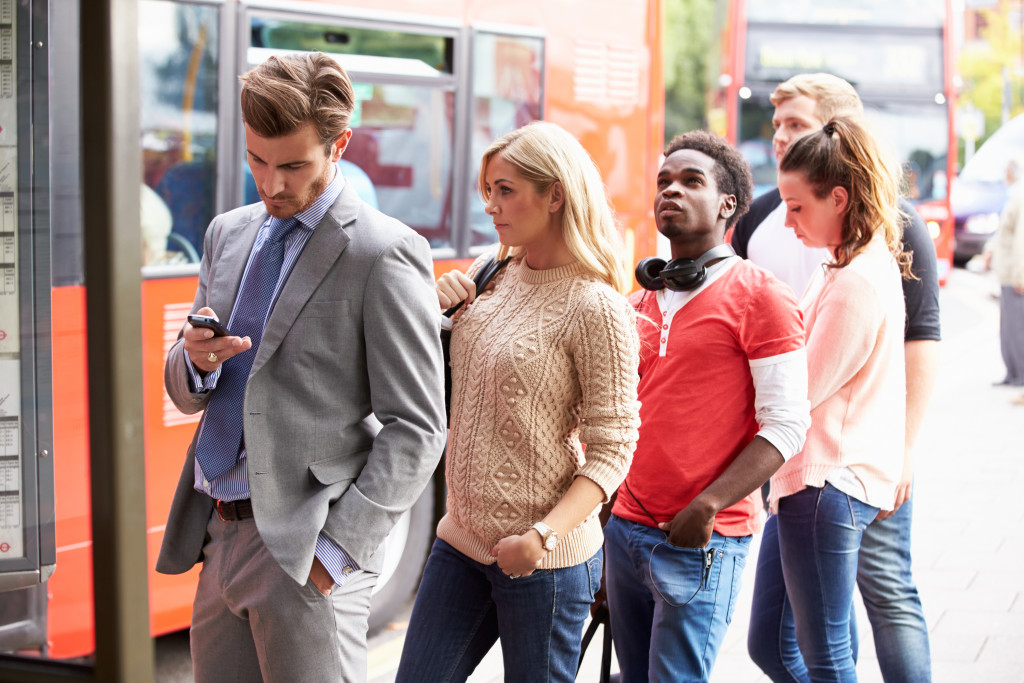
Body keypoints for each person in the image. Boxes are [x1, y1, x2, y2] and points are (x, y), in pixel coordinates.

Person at [158, 53, 447, 682]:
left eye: (293, 165)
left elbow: (419, 427)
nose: (272, 184)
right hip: (216, 531)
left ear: (339, 145)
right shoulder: (226, 234)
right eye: (257, 160)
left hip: (305, 548)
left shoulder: (384, 252)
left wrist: (336, 554)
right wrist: (196, 361)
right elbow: (185, 389)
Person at [395, 121, 641, 683]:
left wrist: (540, 538)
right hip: (461, 540)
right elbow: (446, 391)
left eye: (505, 190)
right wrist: (437, 317)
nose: (491, 207)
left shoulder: (596, 307)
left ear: (554, 194)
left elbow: (614, 448)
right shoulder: (494, 271)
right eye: (489, 191)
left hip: (543, 563)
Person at [734, 73, 940, 683]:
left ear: (839, 198)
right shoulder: (844, 262)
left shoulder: (854, 278)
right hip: (810, 480)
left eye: (799, 207)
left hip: (831, 479)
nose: (789, 219)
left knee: (833, 653)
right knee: (781, 645)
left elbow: (795, 394)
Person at [604, 130, 810, 683]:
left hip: (700, 537)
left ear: (728, 205)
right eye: (663, 181)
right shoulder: (637, 301)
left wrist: (709, 505)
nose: (671, 190)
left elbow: (788, 423)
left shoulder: (762, 296)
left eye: (691, 181)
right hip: (623, 530)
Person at [990, 156, 1024, 394]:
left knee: (1016, 328)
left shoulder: (1020, 197)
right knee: (1007, 327)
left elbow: (1021, 241)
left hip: (1015, 276)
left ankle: (1019, 373)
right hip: (1006, 274)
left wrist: (1021, 276)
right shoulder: (1014, 196)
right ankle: (1012, 372)